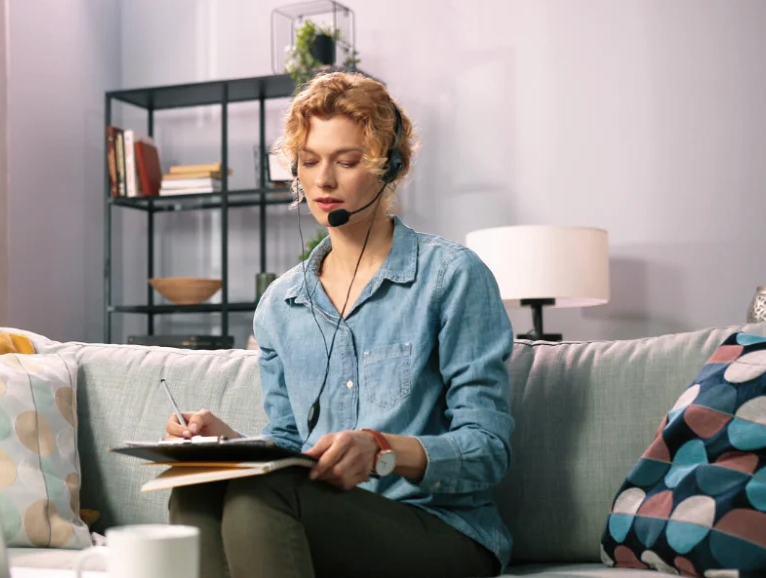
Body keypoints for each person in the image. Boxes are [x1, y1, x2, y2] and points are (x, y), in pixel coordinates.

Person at [163, 71, 516, 578]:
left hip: (442, 529)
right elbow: (290, 448)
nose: (323, 181)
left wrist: (381, 451)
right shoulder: (280, 303)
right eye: (309, 162)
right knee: (198, 488)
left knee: (261, 495)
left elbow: (488, 450)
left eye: (347, 162)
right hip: (329, 517)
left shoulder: (452, 277)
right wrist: (227, 444)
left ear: (390, 166)